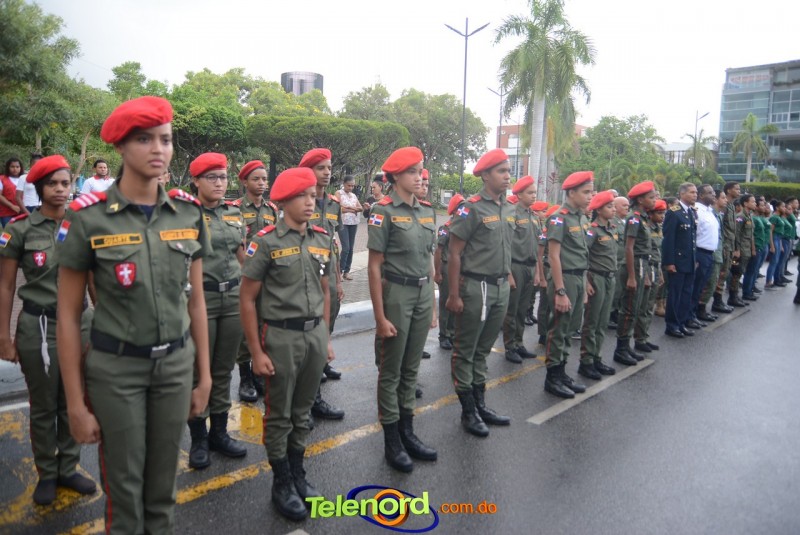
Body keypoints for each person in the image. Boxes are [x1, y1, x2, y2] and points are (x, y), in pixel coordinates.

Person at [56, 96, 212, 534]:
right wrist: (75, 405)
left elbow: (196, 301)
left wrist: (204, 377)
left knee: (162, 495)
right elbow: (67, 316)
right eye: (144, 139)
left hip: (175, 367)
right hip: (117, 372)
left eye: (165, 139)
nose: (158, 149)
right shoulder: (88, 218)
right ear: (121, 147)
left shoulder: (187, 212)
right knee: (125, 500)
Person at [0, 155, 96, 505]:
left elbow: (93, 279)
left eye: (65, 183)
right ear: (39, 189)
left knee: (72, 399)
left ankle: (68, 467)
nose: (60, 189)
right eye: (52, 184)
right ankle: (47, 472)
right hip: (38, 327)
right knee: (43, 406)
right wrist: (3, 336)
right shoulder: (19, 230)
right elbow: (5, 286)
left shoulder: (83, 226)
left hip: (79, 324)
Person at [239, 166, 334, 520]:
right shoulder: (265, 242)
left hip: (314, 335)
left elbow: (325, 290)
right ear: (283, 201)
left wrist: (325, 337)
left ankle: (298, 474)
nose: (310, 202)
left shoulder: (322, 238)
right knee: (279, 414)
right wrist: (256, 351)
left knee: (303, 411)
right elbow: (247, 299)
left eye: (312, 195)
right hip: (280, 336)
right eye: (301, 196)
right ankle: (281, 482)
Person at [367, 147, 437, 472]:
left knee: (411, 369)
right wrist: (380, 318)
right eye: (412, 172)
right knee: (391, 370)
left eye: (420, 171)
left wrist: (432, 305)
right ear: (395, 177)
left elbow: (429, 263)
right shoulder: (383, 211)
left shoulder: (427, 212)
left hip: (422, 293)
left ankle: (408, 431)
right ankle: (392, 440)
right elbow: (373, 267)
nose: (418, 177)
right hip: (396, 293)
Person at [184, 153, 247, 470]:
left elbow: (240, 255)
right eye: (212, 177)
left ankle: (219, 433)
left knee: (223, 368)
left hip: (233, 298)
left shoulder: (234, 213)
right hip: (201, 299)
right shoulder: (185, 214)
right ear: (196, 181)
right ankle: (198, 439)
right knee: (199, 371)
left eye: (223, 177)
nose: (220, 183)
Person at [446, 149, 513, 435]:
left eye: (508, 171)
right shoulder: (470, 208)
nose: (508, 176)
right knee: (466, 350)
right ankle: (468, 411)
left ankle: (480, 403)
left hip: (500, 287)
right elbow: (454, 253)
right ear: (485, 175)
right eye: (501, 171)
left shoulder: (508, 207)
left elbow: (505, 248)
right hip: (476, 287)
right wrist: (454, 294)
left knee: (483, 349)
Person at [298, 148, 345, 420]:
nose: (327, 172)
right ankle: (310, 399)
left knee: (329, 319)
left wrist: (338, 278)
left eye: (329, 167)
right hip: (306, 274)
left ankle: (322, 364)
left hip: (328, 270)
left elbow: (333, 244)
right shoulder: (298, 200)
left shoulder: (335, 204)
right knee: (309, 335)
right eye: (321, 168)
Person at [542, 171, 594, 398]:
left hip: (578, 277)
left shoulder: (581, 218)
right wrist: (560, 291)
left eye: (591, 192)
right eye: (586, 192)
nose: (590, 196)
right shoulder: (558, 218)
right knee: (559, 328)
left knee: (570, 328)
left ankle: (562, 373)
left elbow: (582, 254)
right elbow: (554, 256)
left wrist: (584, 283)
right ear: (571, 193)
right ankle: (552, 377)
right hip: (564, 278)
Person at [233, 160, 278, 402]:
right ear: (244, 182)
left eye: (264, 179)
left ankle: (258, 373)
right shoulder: (236, 209)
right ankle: (245, 378)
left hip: (267, 278)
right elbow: (237, 245)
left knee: (263, 325)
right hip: (245, 276)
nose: (261, 183)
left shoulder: (271, 209)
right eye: (256, 179)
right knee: (244, 328)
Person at [578, 190, 619, 380]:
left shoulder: (612, 228)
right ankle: (586, 361)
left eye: (613, 206)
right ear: (599, 210)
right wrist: (586, 280)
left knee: (602, 321)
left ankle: (596, 357)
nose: (613, 210)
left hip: (610, 278)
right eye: (609, 207)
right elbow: (583, 255)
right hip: (596, 278)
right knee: (592, 321)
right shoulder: (592, 230)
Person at [614, 182, 656, 364]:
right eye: (651, 197)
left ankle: (627, 345)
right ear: (640, 200)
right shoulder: (634, 219)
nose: (654, 200)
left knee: (636, 307)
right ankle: (621, 349)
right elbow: (629, 248)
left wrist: (644, 275)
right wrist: (632, 276)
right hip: (634, 264)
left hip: (642, 264)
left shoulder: (642, 218)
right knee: (629, 308)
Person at [502, 176, 540, 363]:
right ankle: (510, 346)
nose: (534, 196)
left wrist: (537, 272)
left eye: (534, 192)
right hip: (515, 266)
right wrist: (508, 273)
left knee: (522, 309)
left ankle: (519, 343)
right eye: (530, 193)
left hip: (530, 266)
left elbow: (537, 248)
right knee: (512, 309)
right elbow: (506, 244)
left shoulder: (534, 216)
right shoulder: (512, 214)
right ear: (519, 195)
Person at [662, 183, 699, 338]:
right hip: (677, 261)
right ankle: (672, 325)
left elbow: (692, 239)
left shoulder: (691, 212)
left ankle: (681, 323)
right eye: (692, 192)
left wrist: (694, 259)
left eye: (696, 192)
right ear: (682, 194)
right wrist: (669, 262)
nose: (695, 195)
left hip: (689, 260)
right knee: (675, 295)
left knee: (686, 294)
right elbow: (668, 240)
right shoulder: (674, 213)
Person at [634, 199, 666, 352]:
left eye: (663, 213)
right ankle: (639, 339)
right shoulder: (645, 226)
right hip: (647, 267)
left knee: (649, 306)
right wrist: (646, 274)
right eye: (659, 213)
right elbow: (644, 251)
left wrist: (660, 272)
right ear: (650, 214)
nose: (662, 216)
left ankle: (644, 337)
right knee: (644, 306)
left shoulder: (658, 228)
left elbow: (657, 251)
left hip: (656, 266)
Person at [435, 193, 463, 350]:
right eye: (461, 207)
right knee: (446, 302)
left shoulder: (464, 227)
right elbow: (438, 251)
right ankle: (444, 335)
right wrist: (437, 272)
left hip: (459, 269)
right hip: (446, 268)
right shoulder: (446, 228)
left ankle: (452, 333)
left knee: (456, 301)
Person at [692, 185, 720, 323]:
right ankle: (690, 316)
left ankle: (694, 314)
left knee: (701, 287)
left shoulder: (709, 211)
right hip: (700, 253)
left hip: (709, 254)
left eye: (713, 192)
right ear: (701, 195)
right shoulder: (697, 211)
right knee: (695, 287)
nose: (714, 194)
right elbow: (693, 235)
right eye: (710, 192)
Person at [713, 182, 742, 308]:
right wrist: (724, 247)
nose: (739, 191)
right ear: (729, 190)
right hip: (724, 246)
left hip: (730, 245)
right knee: (721, 274)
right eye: (737, 189)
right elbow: (721, 228)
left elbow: (733, 230)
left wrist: (735, 248)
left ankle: (719, 300)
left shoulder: (731, 206)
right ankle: (717, 301)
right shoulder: (724, 208)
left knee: (725, 273)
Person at [608, 196, 631, 329]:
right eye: (624, 205)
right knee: (615, 290)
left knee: (621, 289)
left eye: (628, 205)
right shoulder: (612, 222)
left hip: (624, 261)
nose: (627, 207)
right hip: (615, 261)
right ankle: (610, 314)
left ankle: (616, 311)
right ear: (615, 207)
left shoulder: (625, 222)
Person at [335, 175, 362, 280]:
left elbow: (360, 208)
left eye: (352, 186)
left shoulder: (353, 195)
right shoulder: (339, 193)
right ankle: (339, 272)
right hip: (343, 223)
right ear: (344, 184)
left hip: (354, 223)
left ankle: (347, 271)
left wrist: (349, 208)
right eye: (349, 185)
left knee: (351, 248)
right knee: (345, 248)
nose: (351, 187)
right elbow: (338, 208)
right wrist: (353, 209)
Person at [735, 194, 758, 301]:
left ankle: (746, 293)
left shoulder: (749, 216)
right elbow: (737, 234)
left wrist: (753, 249)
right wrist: (737, 250)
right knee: (737, 273)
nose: (755, 203)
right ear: (745, 203)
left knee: (747, 271)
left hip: (748, 248)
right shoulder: (740, 217)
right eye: (752, 201)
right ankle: (734, 296)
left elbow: (751, 235)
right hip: (742, 249)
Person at [0, 158, 22, 225]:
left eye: (17, 167)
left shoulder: (24, 178)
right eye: (12, 167)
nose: (15, 169)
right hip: (6, 213)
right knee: (9, 231)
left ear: (20, 168)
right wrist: (12, 206)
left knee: (22, 231)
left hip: (23, 211)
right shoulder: (2, 179)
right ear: (8, 167)